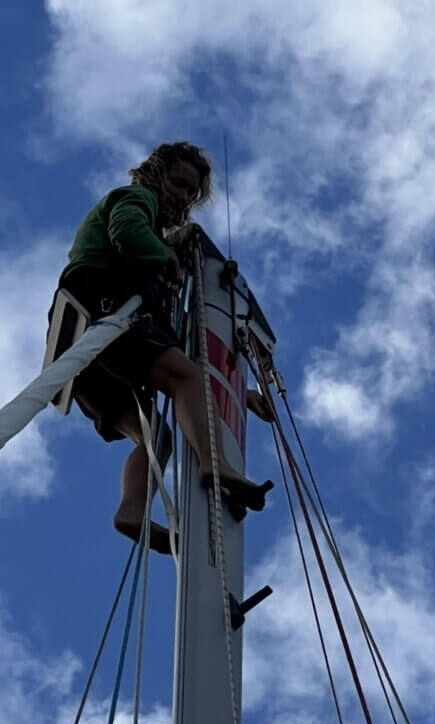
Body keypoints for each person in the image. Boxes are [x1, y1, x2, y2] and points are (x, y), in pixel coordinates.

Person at [48, 141, 272, 554]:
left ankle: (131, 511)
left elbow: (175, 348)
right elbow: (126, 230)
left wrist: (243, 392)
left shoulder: (151, 267)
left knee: (157, 437)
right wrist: (164, 253)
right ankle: (216, 467)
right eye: (178, 183)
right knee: (186, 377)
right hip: (101, 306)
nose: (182, 196)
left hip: (87, 352)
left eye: (190, 192)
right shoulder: (137, 198)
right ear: (156, 175)